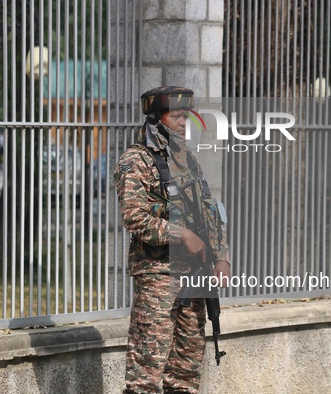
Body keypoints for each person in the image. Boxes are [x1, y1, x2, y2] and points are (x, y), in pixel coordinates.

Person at [114, 86, 231, 394]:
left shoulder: (187, 159)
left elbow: (209, 211)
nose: (183, 123)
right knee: (146, 370)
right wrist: (180, 234)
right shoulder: (135, 160)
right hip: (158, 277)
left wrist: (221, 256)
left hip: (195, 274)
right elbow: (134, 217)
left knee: (186, 369)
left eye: (186, 116)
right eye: (177, 116)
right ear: (157, 118)